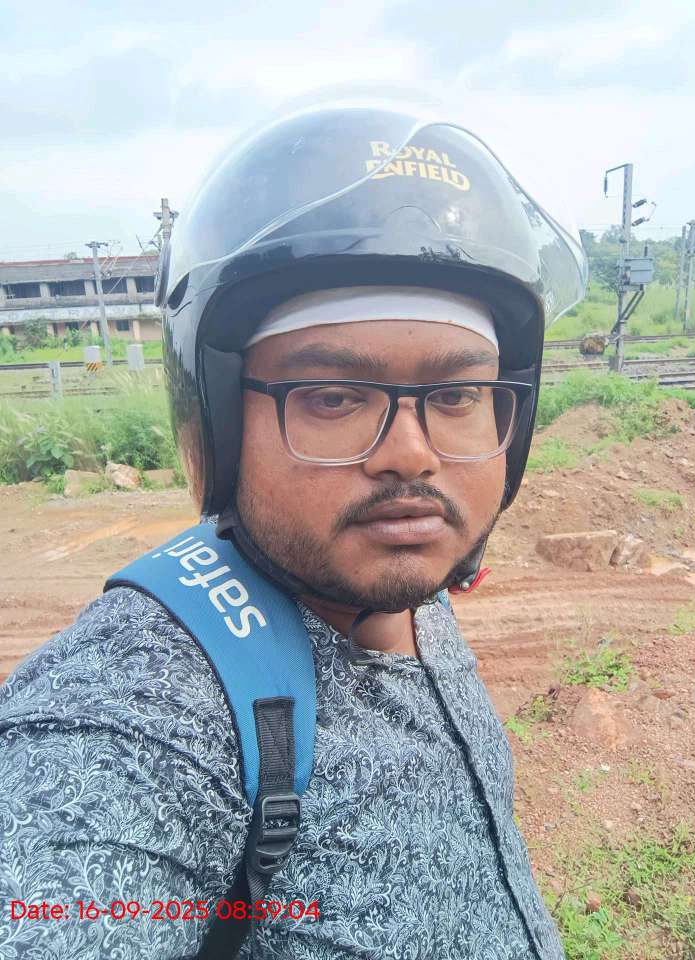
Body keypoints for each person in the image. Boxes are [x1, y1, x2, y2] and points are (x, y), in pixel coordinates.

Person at [0, 100, 587, 959]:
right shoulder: (138, 707)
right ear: (219, 423)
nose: (412, 455)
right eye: (334, 397)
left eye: (457, 394)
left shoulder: (405, 579)